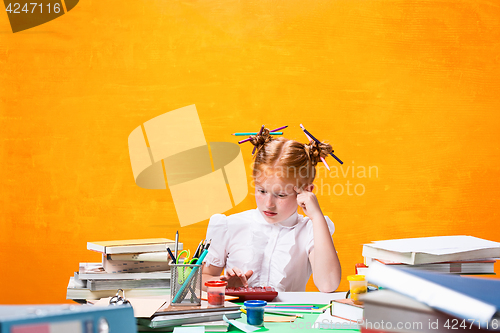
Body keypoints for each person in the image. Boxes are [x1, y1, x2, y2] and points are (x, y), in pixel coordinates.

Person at [201, 127, 341, 292]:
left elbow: (328, 284)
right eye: (261, 191)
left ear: (306, 191)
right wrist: (225, 286)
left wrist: (317, 217)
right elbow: (204, 277)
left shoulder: (311, 230)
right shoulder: (230, 225)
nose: (269, 204)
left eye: (281, 195)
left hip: (289, 317)